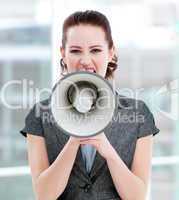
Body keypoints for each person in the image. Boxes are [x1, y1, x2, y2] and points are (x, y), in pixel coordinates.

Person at [20, 10, 159, 200]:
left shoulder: (139, 114)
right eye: (76, 51)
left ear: (111, 52)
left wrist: (108, 151)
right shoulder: (39, 115)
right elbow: (44, 195)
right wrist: (76, 136)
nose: (85, 61)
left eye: (95, 50)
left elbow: (137, 197)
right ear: (63, 53)